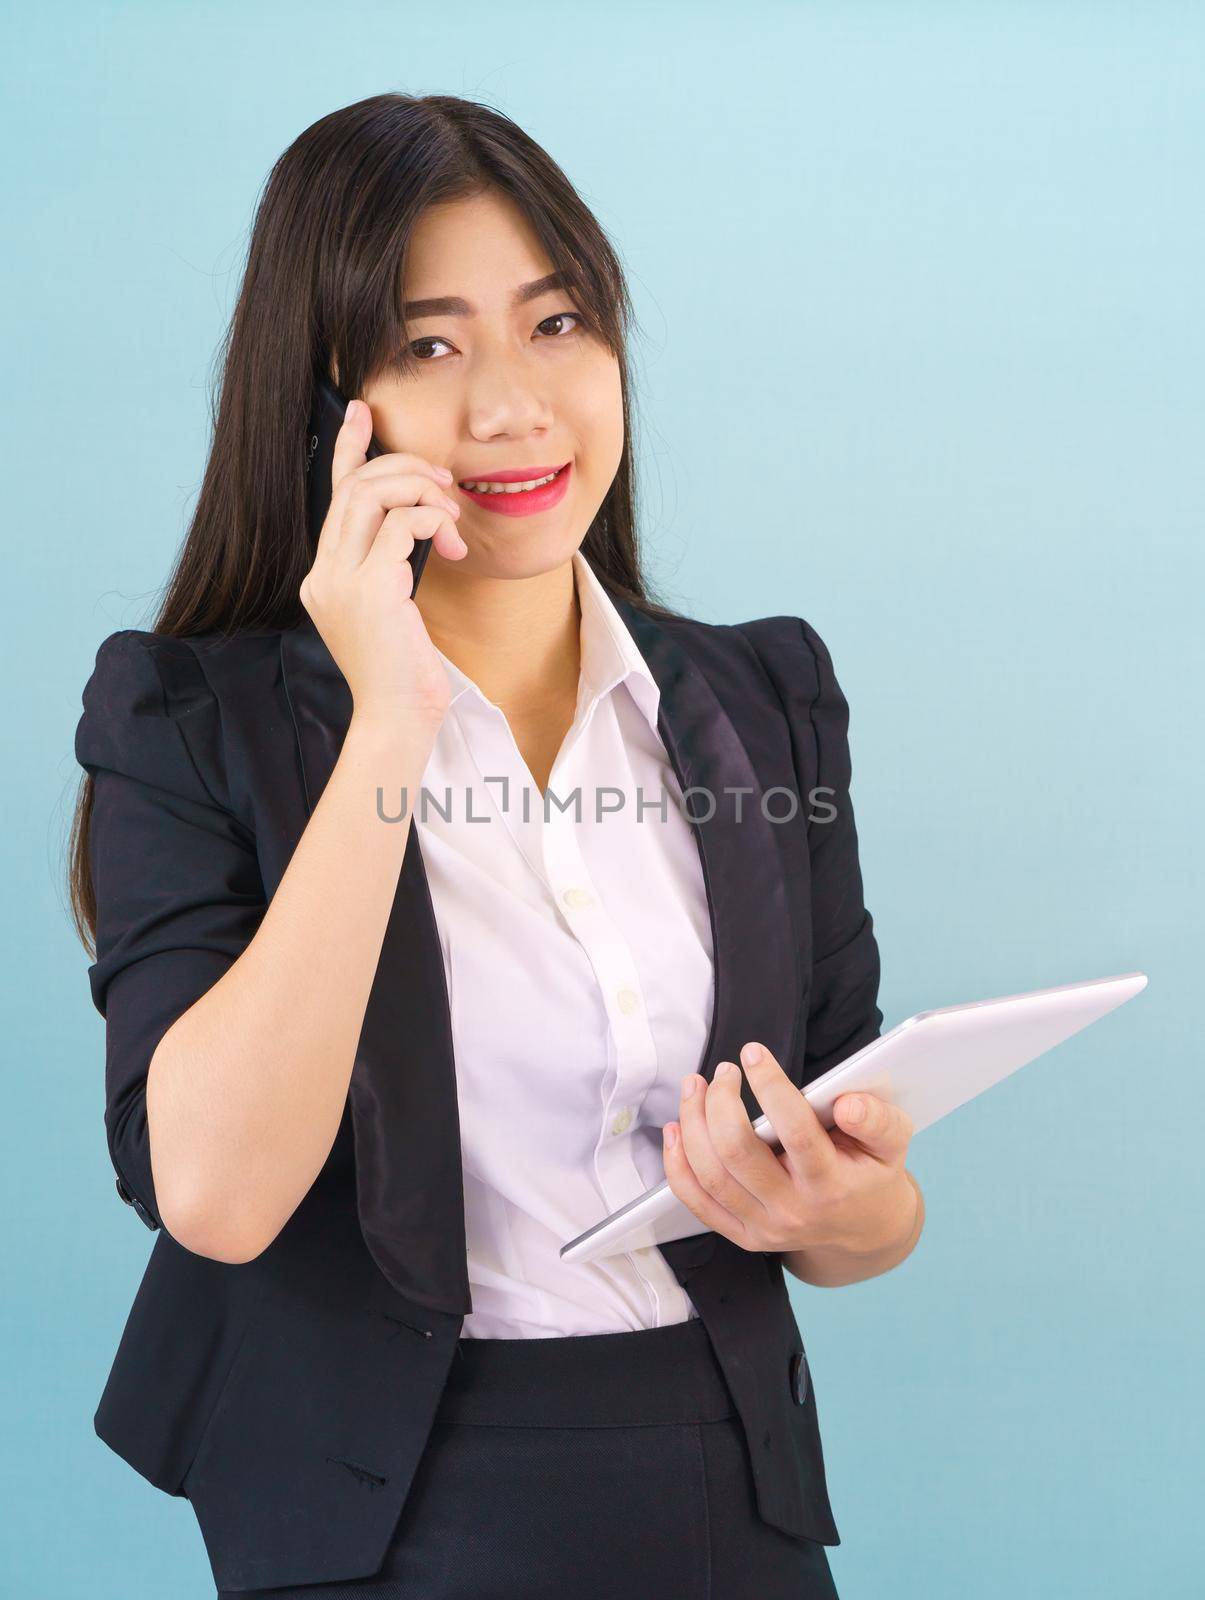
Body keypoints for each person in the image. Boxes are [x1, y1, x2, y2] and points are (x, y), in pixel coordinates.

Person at [68, 92, 924, 1599]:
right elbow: (214, 1193)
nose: (513, 410)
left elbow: (851, 1172)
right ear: (332, 397)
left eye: (555, 327)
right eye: (428, 346)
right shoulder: (191, 717)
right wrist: (388, 721)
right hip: (375, 1502)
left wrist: (855, 1212)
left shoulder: (759, 696)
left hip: (726, 1477)